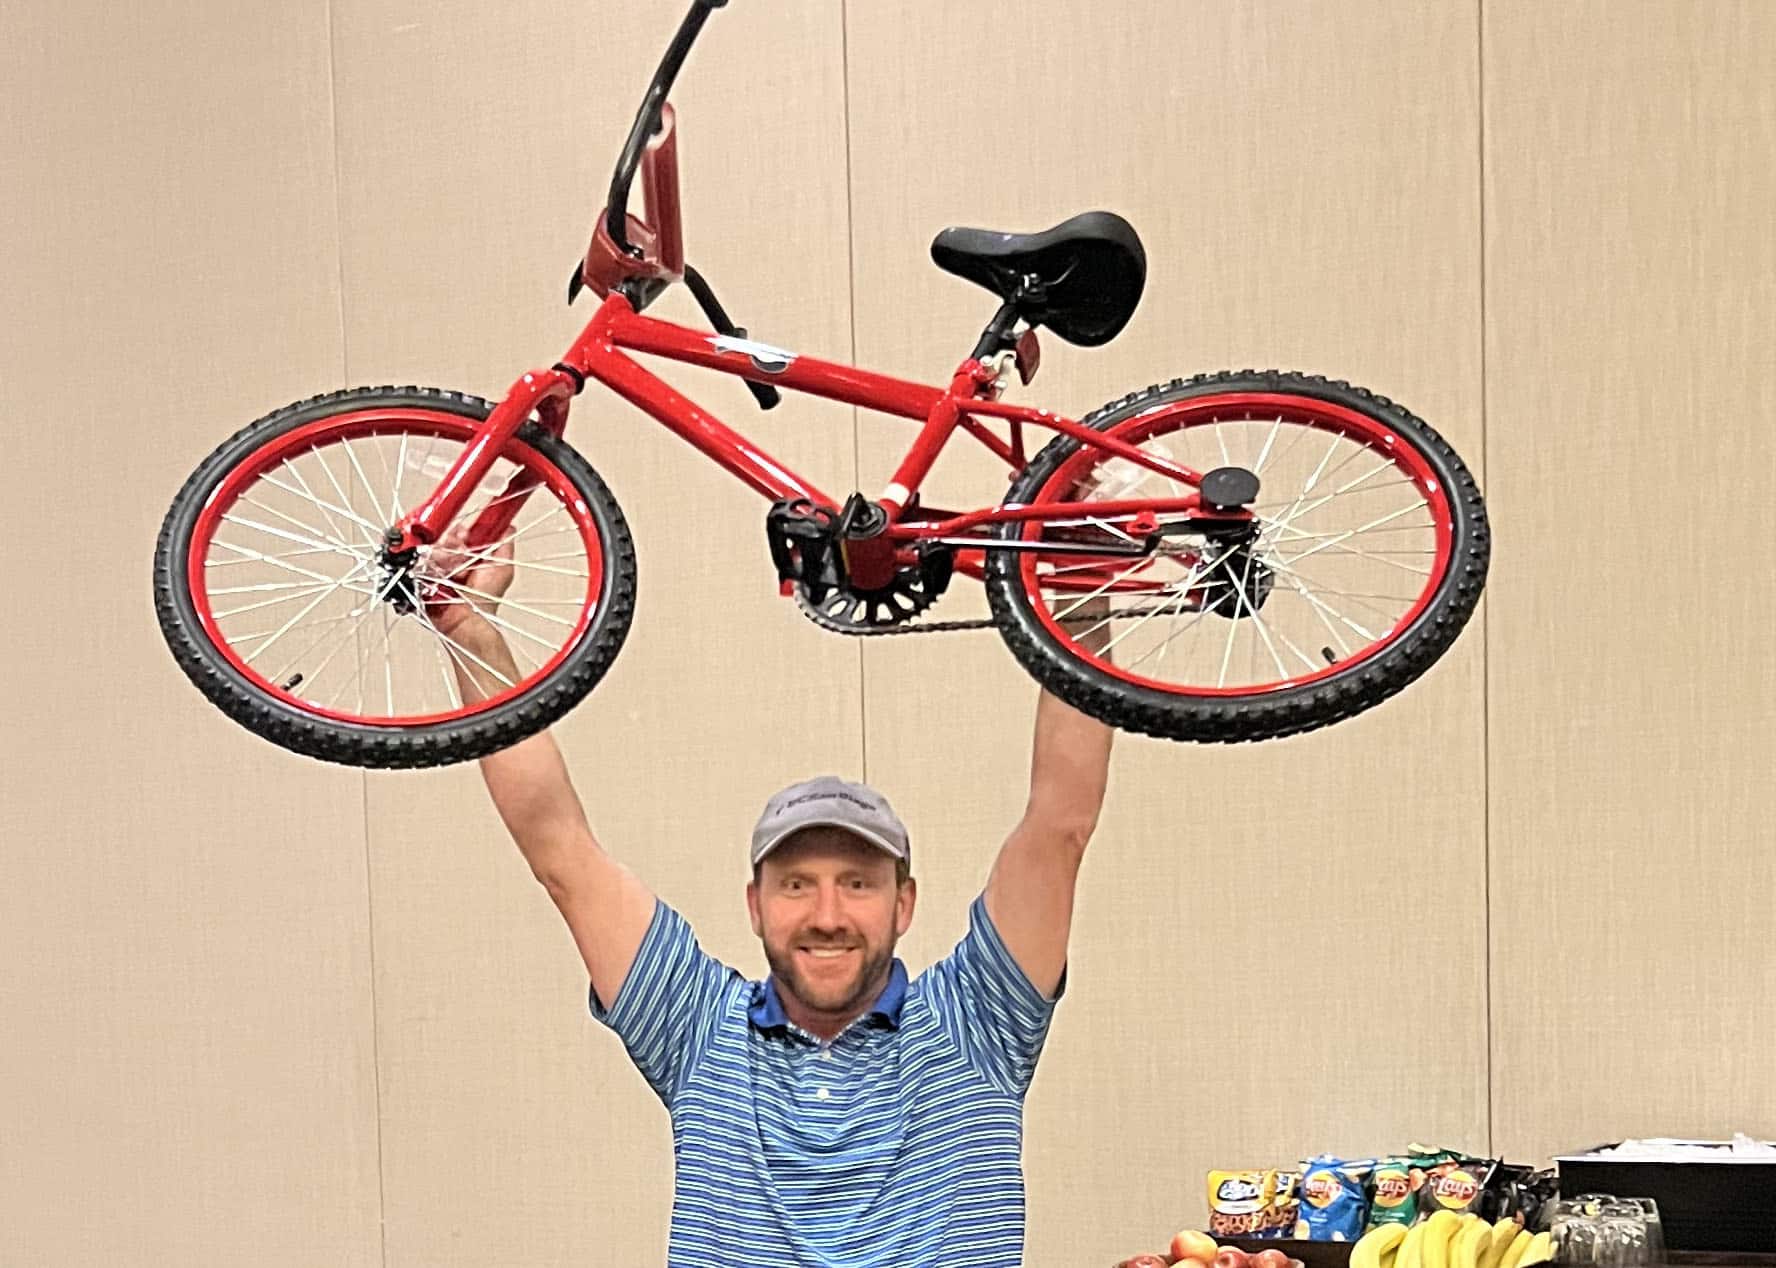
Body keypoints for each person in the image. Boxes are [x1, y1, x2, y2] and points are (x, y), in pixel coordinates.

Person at [428, 532, 1114, 1268]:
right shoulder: (696, 1028)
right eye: (796, 885)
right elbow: (557, 846)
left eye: (857, 883)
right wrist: (470, 633)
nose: (826, 915)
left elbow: (1060, 824)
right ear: (754, 906)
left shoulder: (979, 1020)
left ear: (903, 904)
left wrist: (1080, 588)